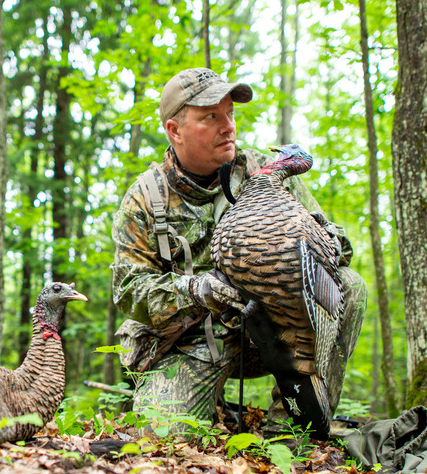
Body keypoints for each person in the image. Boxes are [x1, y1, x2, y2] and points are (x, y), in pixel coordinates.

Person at [110, 67, 367, 437]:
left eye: (229, 113)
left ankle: (293, 429)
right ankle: (203, 406)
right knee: (163, 438)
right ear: (174, 130)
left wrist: (318, 238)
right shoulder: (146, 197)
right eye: (210, 116)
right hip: (194, 339)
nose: (228, 126)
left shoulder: (264, 172)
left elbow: (338, 248)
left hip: (272, 331)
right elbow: (129, 291)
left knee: (348, 286)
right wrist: (195, 290)